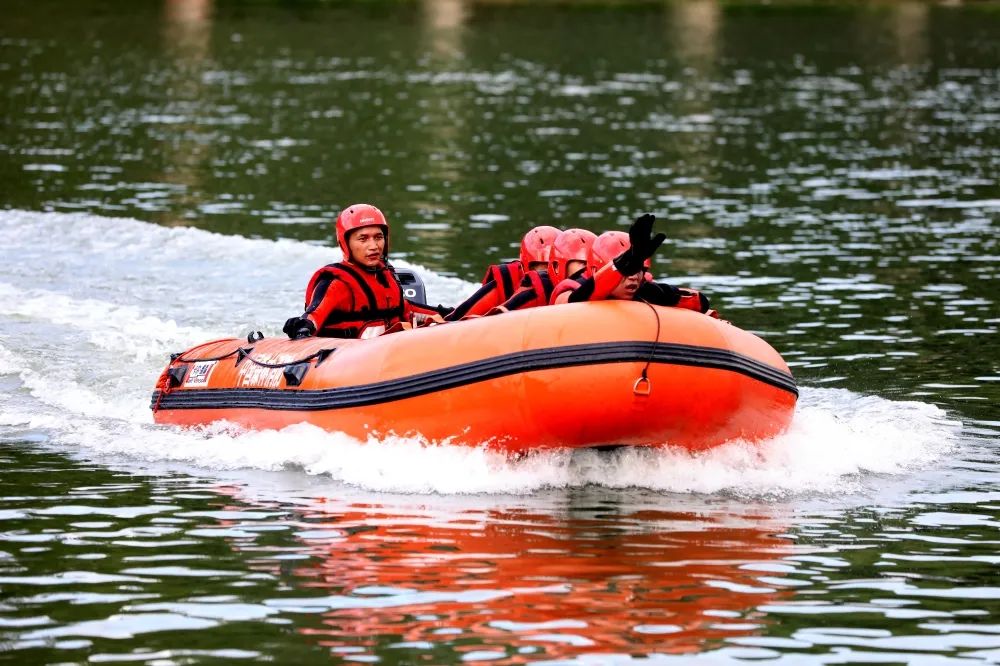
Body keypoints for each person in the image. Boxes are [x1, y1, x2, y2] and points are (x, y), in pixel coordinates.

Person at [282, 204, 448, 339]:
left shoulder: (387, 277)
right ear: (346, 244)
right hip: (348, 363)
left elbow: (405, 310)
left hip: (392, 357)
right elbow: (314, 316)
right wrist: (302, 325)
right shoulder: (336, 284)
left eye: (378, 237)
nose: (374, 246)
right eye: (363, 239)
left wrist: (450, 315)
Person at [550, 214, 713, 314]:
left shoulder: (646, 291)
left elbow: (700, 302)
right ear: (596, 270)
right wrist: (622, 265)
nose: (633, 277)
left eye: (639, 269)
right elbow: (571, 302)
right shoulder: (571, 288)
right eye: (629, 270)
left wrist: (659, 294)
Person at [445, 225, 560, 320]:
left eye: (553, 267)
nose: (545, 276)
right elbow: (456, 319)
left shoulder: (572, 290)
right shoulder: (507, 281)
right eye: (541, 270)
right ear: (524, 267)